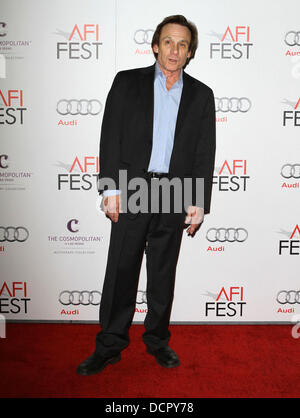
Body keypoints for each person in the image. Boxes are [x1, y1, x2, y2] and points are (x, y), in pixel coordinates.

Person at [77, 15, 216, 376]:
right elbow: (111, 137)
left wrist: (198, 200)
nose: (175, 50)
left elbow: (204, 151)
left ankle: (157, 340)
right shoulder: (126, 83)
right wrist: (110, 188)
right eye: (168, 41)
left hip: (174, 192)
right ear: (155, 45)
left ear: (190, 53)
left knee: (162, 273)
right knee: (121, 270)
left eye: (183, 44)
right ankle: (109, 344)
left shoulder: (201, 95)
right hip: (133, 187)